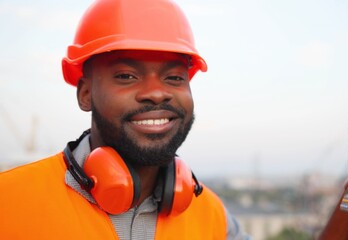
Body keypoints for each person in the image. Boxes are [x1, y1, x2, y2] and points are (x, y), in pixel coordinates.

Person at [0, 0, 250, 239]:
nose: (156, 93)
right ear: (86, 94)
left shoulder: (213, 217)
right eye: (127, 76)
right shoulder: (8, 202)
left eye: (174, 77)